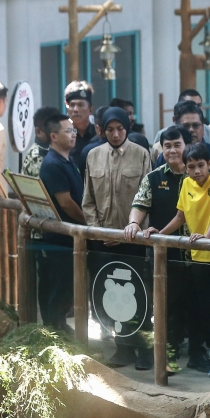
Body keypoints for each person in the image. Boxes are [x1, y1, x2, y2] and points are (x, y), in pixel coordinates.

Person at [145, 142, 210, 378]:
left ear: (209, 164)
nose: (197, 170)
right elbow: (180, 216)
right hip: (199, 258)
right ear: (186, 168)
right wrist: (160, 235)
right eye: (191, 167)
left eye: (201, 165)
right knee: (207, 312)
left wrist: (205, 239)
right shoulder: (186, 184)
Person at [125, 126, 208, 372]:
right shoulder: (154, 177)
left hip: (199, 255)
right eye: (167, 146)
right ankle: (162, 356)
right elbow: (139, 203)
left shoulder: (199, 175)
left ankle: (197, 353)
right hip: (165, 257)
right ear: (161, 148)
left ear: (186, 145)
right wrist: (133, 223)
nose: (172, 150)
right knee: (163, 307)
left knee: (198, 307)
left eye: (177, 145)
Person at [81, 107, 153, 369]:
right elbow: (88, 199)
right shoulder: (93, 155)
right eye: (109, 129)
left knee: (138, 296)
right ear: (101, 130)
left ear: (127, 129)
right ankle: (122, 348)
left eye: (120, 129)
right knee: (110, 297)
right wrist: (99, 232)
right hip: (103, 241)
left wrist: (130, 231)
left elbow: (147, 198)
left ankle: (145, 351)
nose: (115, 134)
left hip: (133, 241)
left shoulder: (141, 154)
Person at [36, 113, 86, 334]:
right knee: (59, 285)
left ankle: (59, 327)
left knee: (66, 286)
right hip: (60, 238)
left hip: (70, 238)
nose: (73, 134)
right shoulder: (52, 164)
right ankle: (53, 331)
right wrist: (88, 222)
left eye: (73, 130)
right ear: (54, 136)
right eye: (68, 131)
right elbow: (65, 202)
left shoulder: (67, 159)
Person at [156, 101, 210, 173]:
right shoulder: (168, 156)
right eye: (186, 126)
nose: (191, 130)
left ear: (203, 128)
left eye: (196, 126)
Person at [65, 80, 97, 173]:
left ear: (90, 109)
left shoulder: (99, 135)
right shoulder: (62, 137)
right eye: (72, 105)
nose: (75, 109)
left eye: (80, 105)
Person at [20, 106, 60, 177]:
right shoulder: (37, 157)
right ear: (38, 132)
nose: (55, 134)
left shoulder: (52, 150)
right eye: (51, 130)